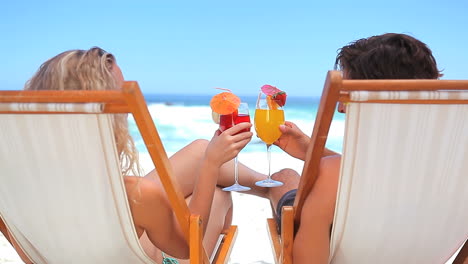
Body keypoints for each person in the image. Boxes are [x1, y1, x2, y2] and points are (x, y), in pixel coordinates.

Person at [0, 47, 274, 264]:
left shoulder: (13, 192)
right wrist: (212, 165)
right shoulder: (135, 195)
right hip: (155, 250)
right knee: (218, 194)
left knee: (201, 151)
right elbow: (190, 245)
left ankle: (271, 187)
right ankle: (278, 188)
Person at [269, 33, 442, 264]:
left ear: (374, 97)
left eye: (347, 94)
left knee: (283, 178)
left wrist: (322, 163)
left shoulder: (332, 174)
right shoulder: (451, 166)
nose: (340, 107)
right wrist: (314, 152)